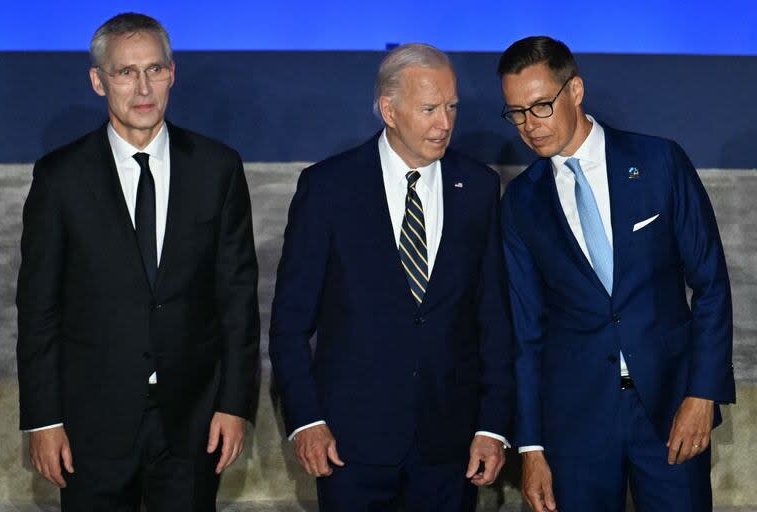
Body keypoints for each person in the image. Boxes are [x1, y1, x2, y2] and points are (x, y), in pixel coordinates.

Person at [15, 13, 259, 511]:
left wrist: (234, 404)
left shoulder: (218, 168)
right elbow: (39, 309)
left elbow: (237, 299)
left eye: (155, 69)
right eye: (126, 72)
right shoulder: (60, 178)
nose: (143, 87)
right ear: (98, 82)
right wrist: (44, 420)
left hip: (193, 424)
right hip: (91, 427)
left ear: (173, 73)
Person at [269, 43, 515, 511]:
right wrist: (306, 421)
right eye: (429, 109)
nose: (445, 123)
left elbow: (494, 319)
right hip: (349, 448)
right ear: (389, 109)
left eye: (451, 107)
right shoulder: (328, 188)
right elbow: (290, 323)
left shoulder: (478, 186)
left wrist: (491, 426)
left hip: (449, 450)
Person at [497, 36, 735, 512]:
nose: (529, 125)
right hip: (575, 426)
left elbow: (710, 283)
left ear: (576, 91)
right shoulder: (521, 202)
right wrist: (531, 447)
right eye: (516, 112)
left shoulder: (658, 162)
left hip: (669, 411)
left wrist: (701, 393)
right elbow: (525, 332)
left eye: (541, 106)